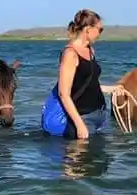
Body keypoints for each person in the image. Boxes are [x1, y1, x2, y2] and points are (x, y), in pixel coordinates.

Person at [42, 9, 118, 140]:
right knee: (80, 159)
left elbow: (87, 84)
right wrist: (79, 124)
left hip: (99, 115)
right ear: (88, 29)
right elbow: (63, 94)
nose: (100, 34)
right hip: (82, 117)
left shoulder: (90, 50)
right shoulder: (70, 54)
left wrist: (112, 89)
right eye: (100, 29)